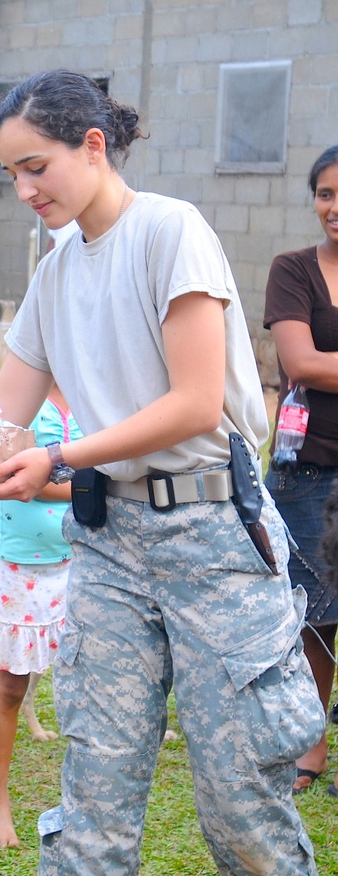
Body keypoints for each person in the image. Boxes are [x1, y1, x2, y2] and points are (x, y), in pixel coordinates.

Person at [0, 70, 323, 876]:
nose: (23, 189)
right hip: (110, 543)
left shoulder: (169, 232)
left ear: (94, 144)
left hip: (213, 534)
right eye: (11, 173)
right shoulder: (55, 273)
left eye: (36, 166)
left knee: (240, 803)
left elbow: (194, 403)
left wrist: (61, 455)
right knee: (92, 806)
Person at [263, 144, 338, 797]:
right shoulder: (292, 270)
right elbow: (303, 363)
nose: (334, 207)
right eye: (325, 193)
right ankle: (310, 743)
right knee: (313, 614)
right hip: (309, 470)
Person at [0, 385, 81, 849]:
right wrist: (87, 483)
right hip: (27, 565)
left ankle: (91, 804)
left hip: (91, 556)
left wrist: (46, 479)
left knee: (94, 684)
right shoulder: (17, 395)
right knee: (11, 684)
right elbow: (5, 478)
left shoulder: (93, 388)